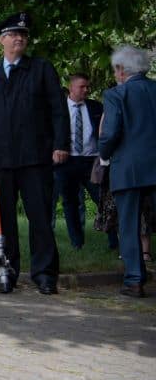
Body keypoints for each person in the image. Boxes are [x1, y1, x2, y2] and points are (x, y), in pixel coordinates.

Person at [0, 12, 69, 295]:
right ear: (2, 40)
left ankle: (45, 275)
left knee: (40, 219)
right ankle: (4, 272)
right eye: (14, 34)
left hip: (35, 159)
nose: (20, 38)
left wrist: (60, 144)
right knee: (2, 222)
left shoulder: (41, 69)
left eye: (23, 35)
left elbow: (58, 110)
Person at [98, 45, 156, 298]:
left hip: (128, 168)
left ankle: (134, 280)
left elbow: (110, 132)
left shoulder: (116, 95)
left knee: (129, 224)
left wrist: (104, 154)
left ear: (121, 70)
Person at [53, 73, 118, 251]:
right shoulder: (59, 109)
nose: (86, 90)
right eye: (82, 87)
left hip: (92, 163)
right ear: (71, 87)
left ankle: (114, 242)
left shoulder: (96, 107)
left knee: (104, 200)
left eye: (87, 87)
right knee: (70, 203)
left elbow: (106, 131)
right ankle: (77, 243)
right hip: (67, 162)